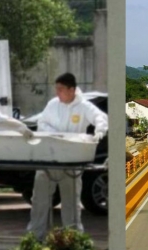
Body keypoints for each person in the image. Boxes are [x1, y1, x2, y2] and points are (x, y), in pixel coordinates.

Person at [27, 72, 108, 241]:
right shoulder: (52, 104)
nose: (57, 92)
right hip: (49, 158)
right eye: (56, 89)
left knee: (71, 203)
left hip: (71, 161)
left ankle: (72, 238)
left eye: (61, 89)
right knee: (39, 201)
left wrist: (99, 133)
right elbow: (42, 123)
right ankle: (35, 237)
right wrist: (56, 135)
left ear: (72, 90)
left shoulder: (84, 107)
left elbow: (101, 118)